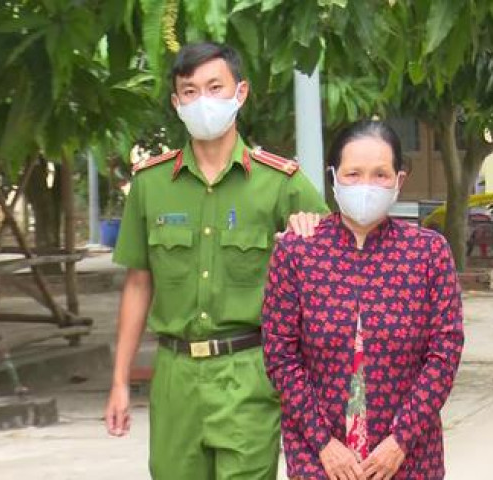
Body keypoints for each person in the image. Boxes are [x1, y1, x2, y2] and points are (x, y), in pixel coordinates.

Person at [105, 41, 329, 480]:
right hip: (174, 376)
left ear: (240, 93)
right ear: (176, 103)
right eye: (190, 91)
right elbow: (138, 283)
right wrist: (119, 381)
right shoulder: (151, 184)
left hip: (248, 372)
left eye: (214, 87)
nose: (202, 101)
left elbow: (334, 274)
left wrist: (310, 235)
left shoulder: (281, 183)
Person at [262, 120, 464, 480]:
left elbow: (444, 354)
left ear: (399, 180)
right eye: (353, 174)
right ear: (333, 177)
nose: (366, 185)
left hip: (409, 457)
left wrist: (400, 441)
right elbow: (280, 355)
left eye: (380, 175)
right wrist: (324, 443)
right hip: (319, 457)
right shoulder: (297, 251)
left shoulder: (429, 253)